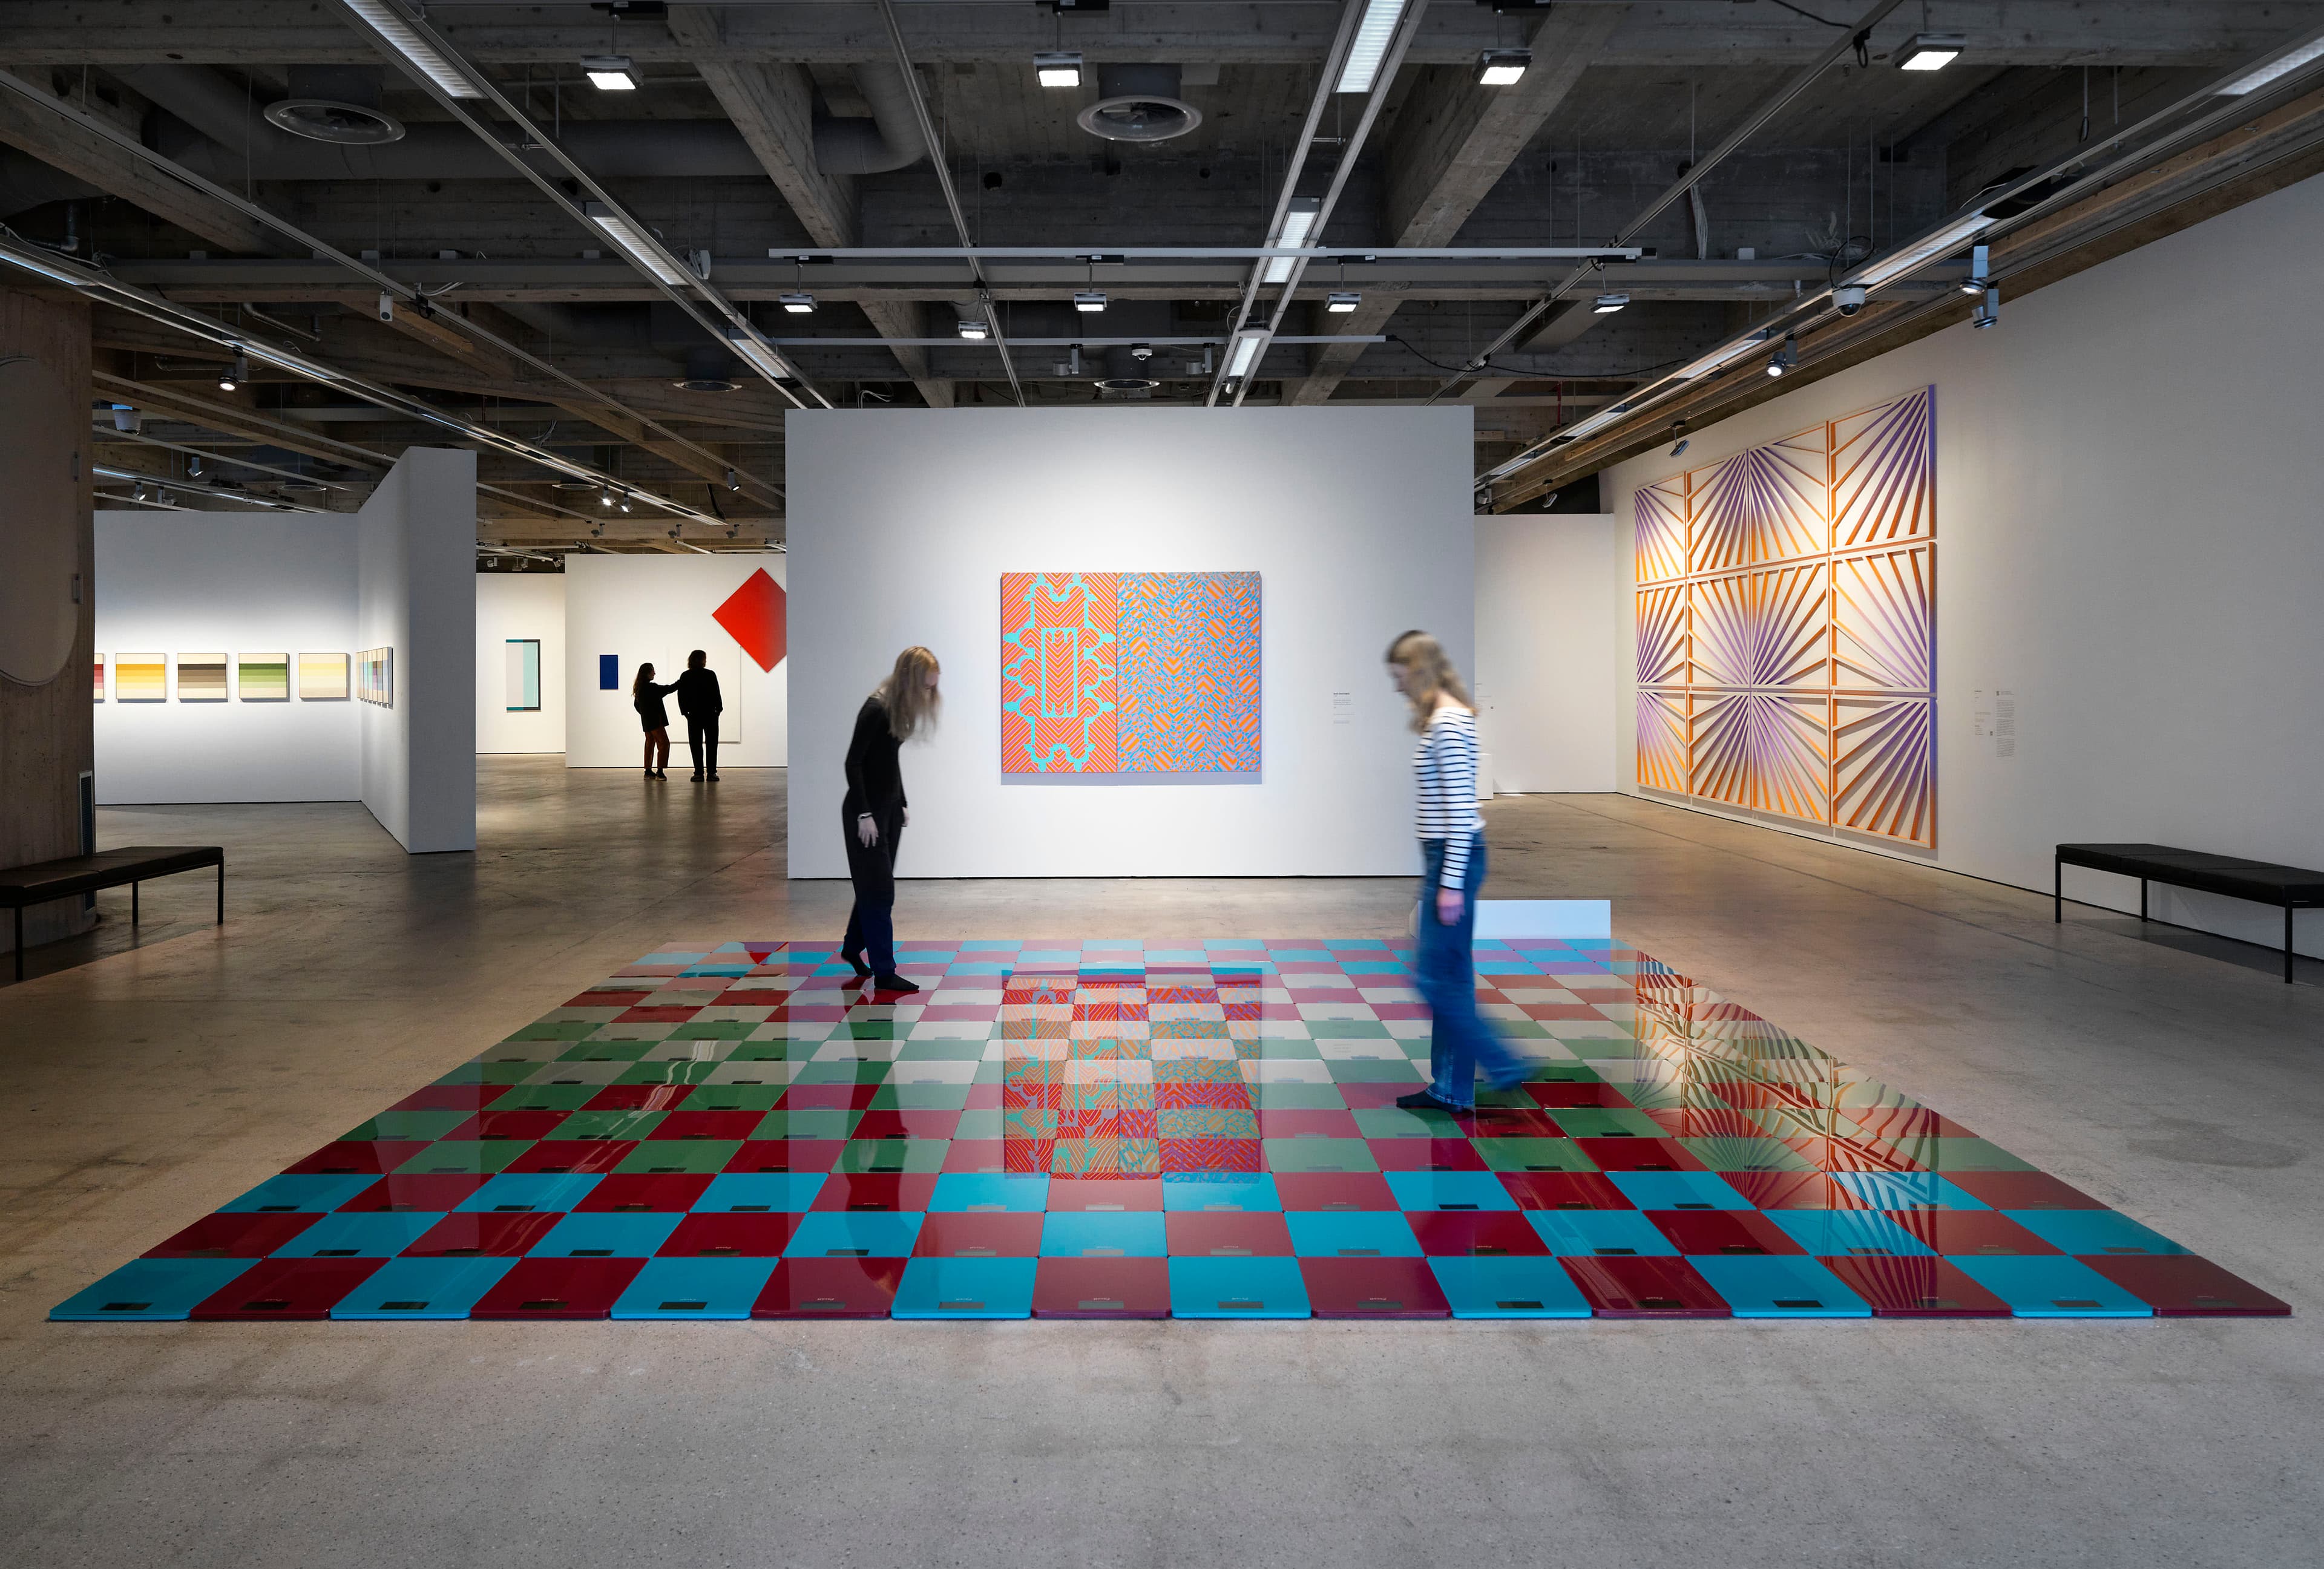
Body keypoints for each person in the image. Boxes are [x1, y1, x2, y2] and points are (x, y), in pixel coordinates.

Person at [1385, 629, 1526, 1115]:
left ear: (1418, 671)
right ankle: (1451, 1088)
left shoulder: (1447, 723)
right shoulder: (1446, 719)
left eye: (1400, 677)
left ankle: (1504, 1063)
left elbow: (1464, 811)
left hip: (1453, 857)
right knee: (1452, 978)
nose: (1397, 687)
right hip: (1448, 857)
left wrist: (1449, 883)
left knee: (1432, 979)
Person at [841, 645, 940, 994]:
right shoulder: (876, 709)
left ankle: (852, 948)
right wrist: (865, 813)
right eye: (926, 686)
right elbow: (853, 763)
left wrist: (901, 801)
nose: (930, 693)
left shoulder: (897, 708)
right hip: (864, 813)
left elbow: (888, 762)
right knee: (881, 892)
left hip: (886, 810)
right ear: (910, 680)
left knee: (874, 887)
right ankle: (885, 973)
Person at [675, 649, 723, 782]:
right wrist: (718, 710)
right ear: (703, 660)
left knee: (696, 744)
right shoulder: (710, 674)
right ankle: (712, 773)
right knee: (712, 744)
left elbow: (681, 697)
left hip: (694, 715)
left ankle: (699, 773)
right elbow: (716, 694)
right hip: (710, 715)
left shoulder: (686, 675)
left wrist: (685, 713)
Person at [632, 661, 678, 781]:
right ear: (647, 673)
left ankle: (648, 771)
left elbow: (637, 706)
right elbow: (669, 689)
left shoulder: (640, 689)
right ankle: (660, 772)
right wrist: (680, 683)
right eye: (653, 670)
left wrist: (645, 715)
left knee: (650, 743)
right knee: (664, 744)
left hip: (647, 722)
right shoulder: (651, 688)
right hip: (655, 722)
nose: (655, 673)